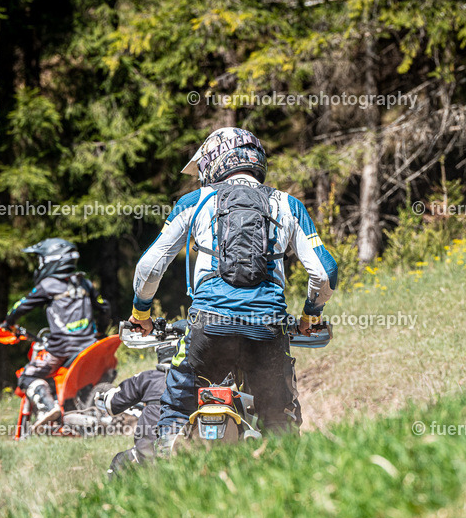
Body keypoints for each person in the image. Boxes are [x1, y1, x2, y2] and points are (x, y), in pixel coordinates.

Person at [127, 127, 338, 455]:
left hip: (208, 325)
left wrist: (141, 313)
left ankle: (168, 454)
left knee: (177, 400)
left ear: (213, 162)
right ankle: (282, 467)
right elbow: (325, 273)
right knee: (277, 414)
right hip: (267, 327)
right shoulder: (288, 204)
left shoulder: (196, 201)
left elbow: (149, 267)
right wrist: (311, 316)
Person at [0, 238, 110, 429]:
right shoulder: (84, 282)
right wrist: (100, 332)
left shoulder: (48, 285)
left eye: (41, 260)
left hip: (61, 348)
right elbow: (104, 308)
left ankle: (48, 407)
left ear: (52, 260)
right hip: (90, 345)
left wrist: (8, 323)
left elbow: (21, 307)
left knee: (26, 376)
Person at [103, 328, 183, 476]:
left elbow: (112, 404)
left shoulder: (149, 378)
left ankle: (113, 498)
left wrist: (103, 396)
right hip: (189, 451)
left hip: (149, 454)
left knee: (119, 462)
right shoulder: (198, 379)